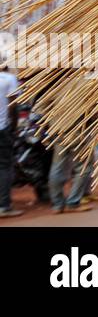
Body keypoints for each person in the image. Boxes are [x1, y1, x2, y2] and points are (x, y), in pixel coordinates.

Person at [47, 119, 95, 214]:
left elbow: (41, 109)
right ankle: (73, 202)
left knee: (57, 168)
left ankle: (57, 205)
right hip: (78, 132)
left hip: (57, 130)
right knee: (84, 167)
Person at [0, 60, 22, 218]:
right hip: (2, 128)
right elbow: (13, 105)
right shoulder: (8, 79)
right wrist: (13, 127)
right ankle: (4, 206)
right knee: (4, 167)